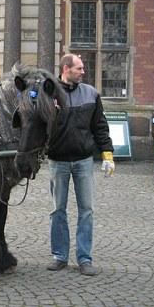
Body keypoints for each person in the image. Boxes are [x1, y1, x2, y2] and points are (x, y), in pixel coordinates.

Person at [46, 53, 114, 277]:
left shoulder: (92, 94)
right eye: (79, 68)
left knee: (86, 210)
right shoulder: (50, 94)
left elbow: (100, 126)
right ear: (66, 69)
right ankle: (60, 256)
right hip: (58, 161)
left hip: (84, 161)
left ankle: (84, 258)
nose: (83, 72)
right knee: (58, 211)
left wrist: (107, 153)